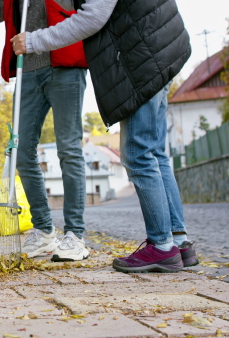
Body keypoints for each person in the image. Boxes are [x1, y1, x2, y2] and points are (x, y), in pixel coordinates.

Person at [11, 0, 199, 272]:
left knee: (139, 154)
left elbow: (92, 17)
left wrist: (35, 40)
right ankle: (178, 243)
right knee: (155, 153)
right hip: (158, 45)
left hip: (143, 51)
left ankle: (161, 246)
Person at [0, 0, 90, 261]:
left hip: (65, 63)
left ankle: (75, 234)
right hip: (27, 68)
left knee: (69, 149)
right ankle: (44, 230)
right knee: (22, 150)